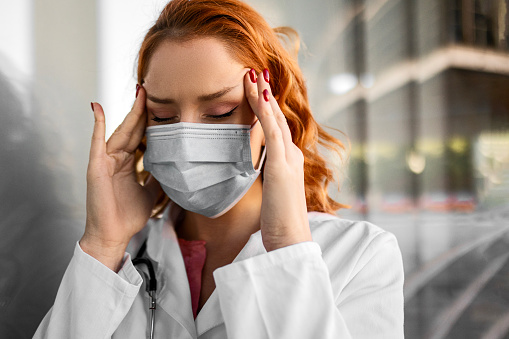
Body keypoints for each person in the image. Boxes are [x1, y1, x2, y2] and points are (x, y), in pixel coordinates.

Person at [34, 0, 404, 338]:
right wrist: (103, 245)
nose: (186, 140)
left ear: (271, 110)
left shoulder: (360, 255)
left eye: (220, 112)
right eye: (163, 116)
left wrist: (285, 250)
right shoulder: (119, 255)